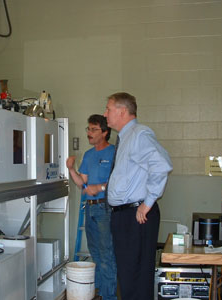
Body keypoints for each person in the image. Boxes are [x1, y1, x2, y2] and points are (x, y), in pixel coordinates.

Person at [104, 92, 173, 300]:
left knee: (137, 277)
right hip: (125, 216)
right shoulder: (125, 138)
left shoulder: (139, 134)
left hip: (137, 215)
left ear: (122, 111)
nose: (104, 113)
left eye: (108, 109)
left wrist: (148, 203)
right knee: (127, 276)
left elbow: (161, 165)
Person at [66, 114, 118, 300]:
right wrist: (71, 169)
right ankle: (98, 294)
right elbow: (83, 184)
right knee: (95, 253)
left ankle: (109, 296)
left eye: (93, 129)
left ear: (104, 132)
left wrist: (101, 187)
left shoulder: (114, 153)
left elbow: (120, 182)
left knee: (106, 255)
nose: (89, 133)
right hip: (90, 209)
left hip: (106, 209)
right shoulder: (88, 155)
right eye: (88, 129)